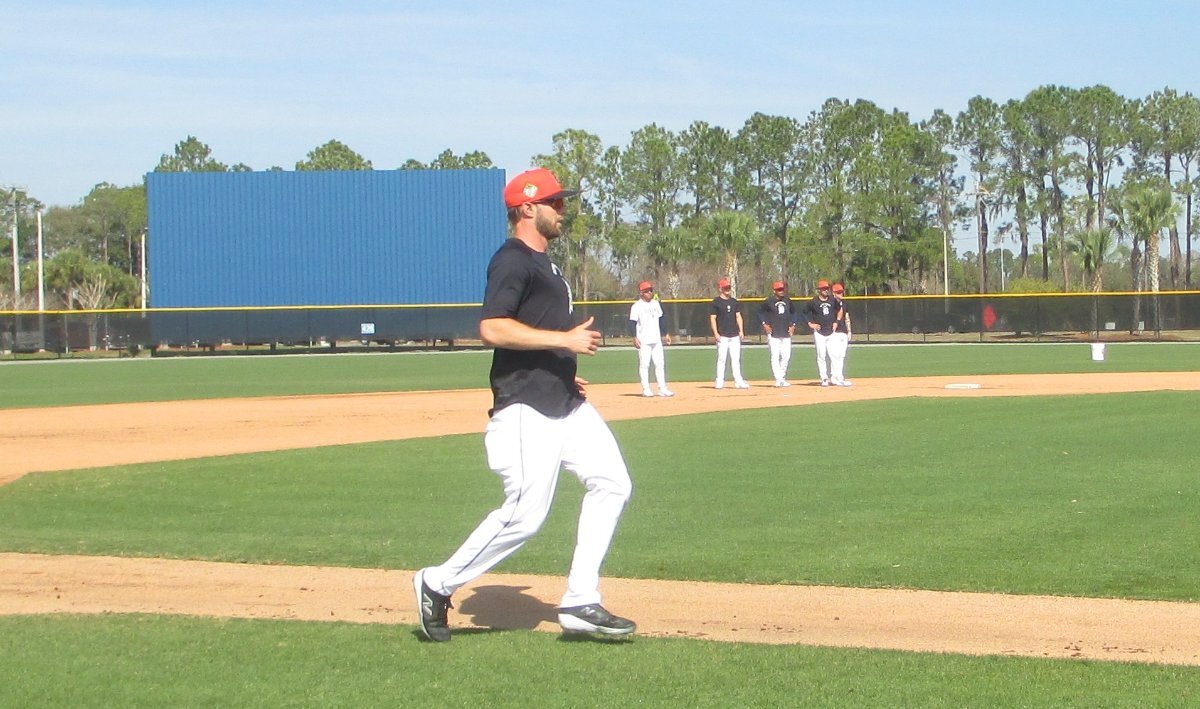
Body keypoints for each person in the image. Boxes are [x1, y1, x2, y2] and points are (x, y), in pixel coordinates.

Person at [413, 167, 636, 642]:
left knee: (613, 483)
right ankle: (437, 583)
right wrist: (564, 341)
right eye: (555, 202)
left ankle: (579, 600)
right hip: (525, 407)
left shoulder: (547, 266)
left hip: (564, 401)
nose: (562, 209)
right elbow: (492, 327)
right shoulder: (512, 260)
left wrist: (562, 365)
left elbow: (535, 332)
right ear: (528, 208)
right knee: (525, 515)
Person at [629, 281, 673, 397]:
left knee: (660, 364)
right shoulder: (637, 306)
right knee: (644, 365)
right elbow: (632, 323)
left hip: (656, 339)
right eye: (647, 291)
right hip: (643, 340)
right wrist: (634, 337)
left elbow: (661, 319)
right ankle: (646, 389)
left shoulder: (656, 304)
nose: (649, 292)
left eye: (651, 290)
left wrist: (666, 333)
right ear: (641, 293)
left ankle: (662, 388)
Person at [802, 279, 844, 386]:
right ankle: (824, 378)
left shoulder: (832, 300)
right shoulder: (813, 302)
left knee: (834, 355)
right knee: (821, 356)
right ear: (819, 290)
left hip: (831, 332)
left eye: (827, 288)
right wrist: (810, 324)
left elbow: (840, 310)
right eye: (824, 289)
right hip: (819, 332)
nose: (826, 290)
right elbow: (804, 313)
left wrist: (837, 322)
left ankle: (834, 378)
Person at [709, 277, 749, 389]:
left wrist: (741, 330)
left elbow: (738, 316)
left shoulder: (734, 302)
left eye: (729, 287)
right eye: (725, 288)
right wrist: (716, 333)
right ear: (720, 289)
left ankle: (738, 381)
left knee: (736, 359)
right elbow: (712, 318)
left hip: (734, 335)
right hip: (722, 335)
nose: (728, 289)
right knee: (722, 359)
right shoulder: (716, 302)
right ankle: (719, 381)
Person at [757, 280, 797, 387]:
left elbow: (794, 313)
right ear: (774, 291)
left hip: (786, 332)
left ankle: (782, 377)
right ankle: (778, 379)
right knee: (775, 356)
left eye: (782, 289)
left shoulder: (787, 300)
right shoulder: (768, 301)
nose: (781, 291)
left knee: (786, 356)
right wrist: (765, 324)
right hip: (773, 332)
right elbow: (760, 313)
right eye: (779, 289)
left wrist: (793, 325)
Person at [829, 282, 853, 386]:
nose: (841, 294)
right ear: (833, 293)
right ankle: (834, 377)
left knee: (842, 356)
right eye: (838, 292)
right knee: (835, 355)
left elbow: (847, 317)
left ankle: (840, 376)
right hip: (834, 332)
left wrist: (849, 331)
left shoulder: (844, 303)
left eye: (841, 292)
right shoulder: (830, 303)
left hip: (843, 332)